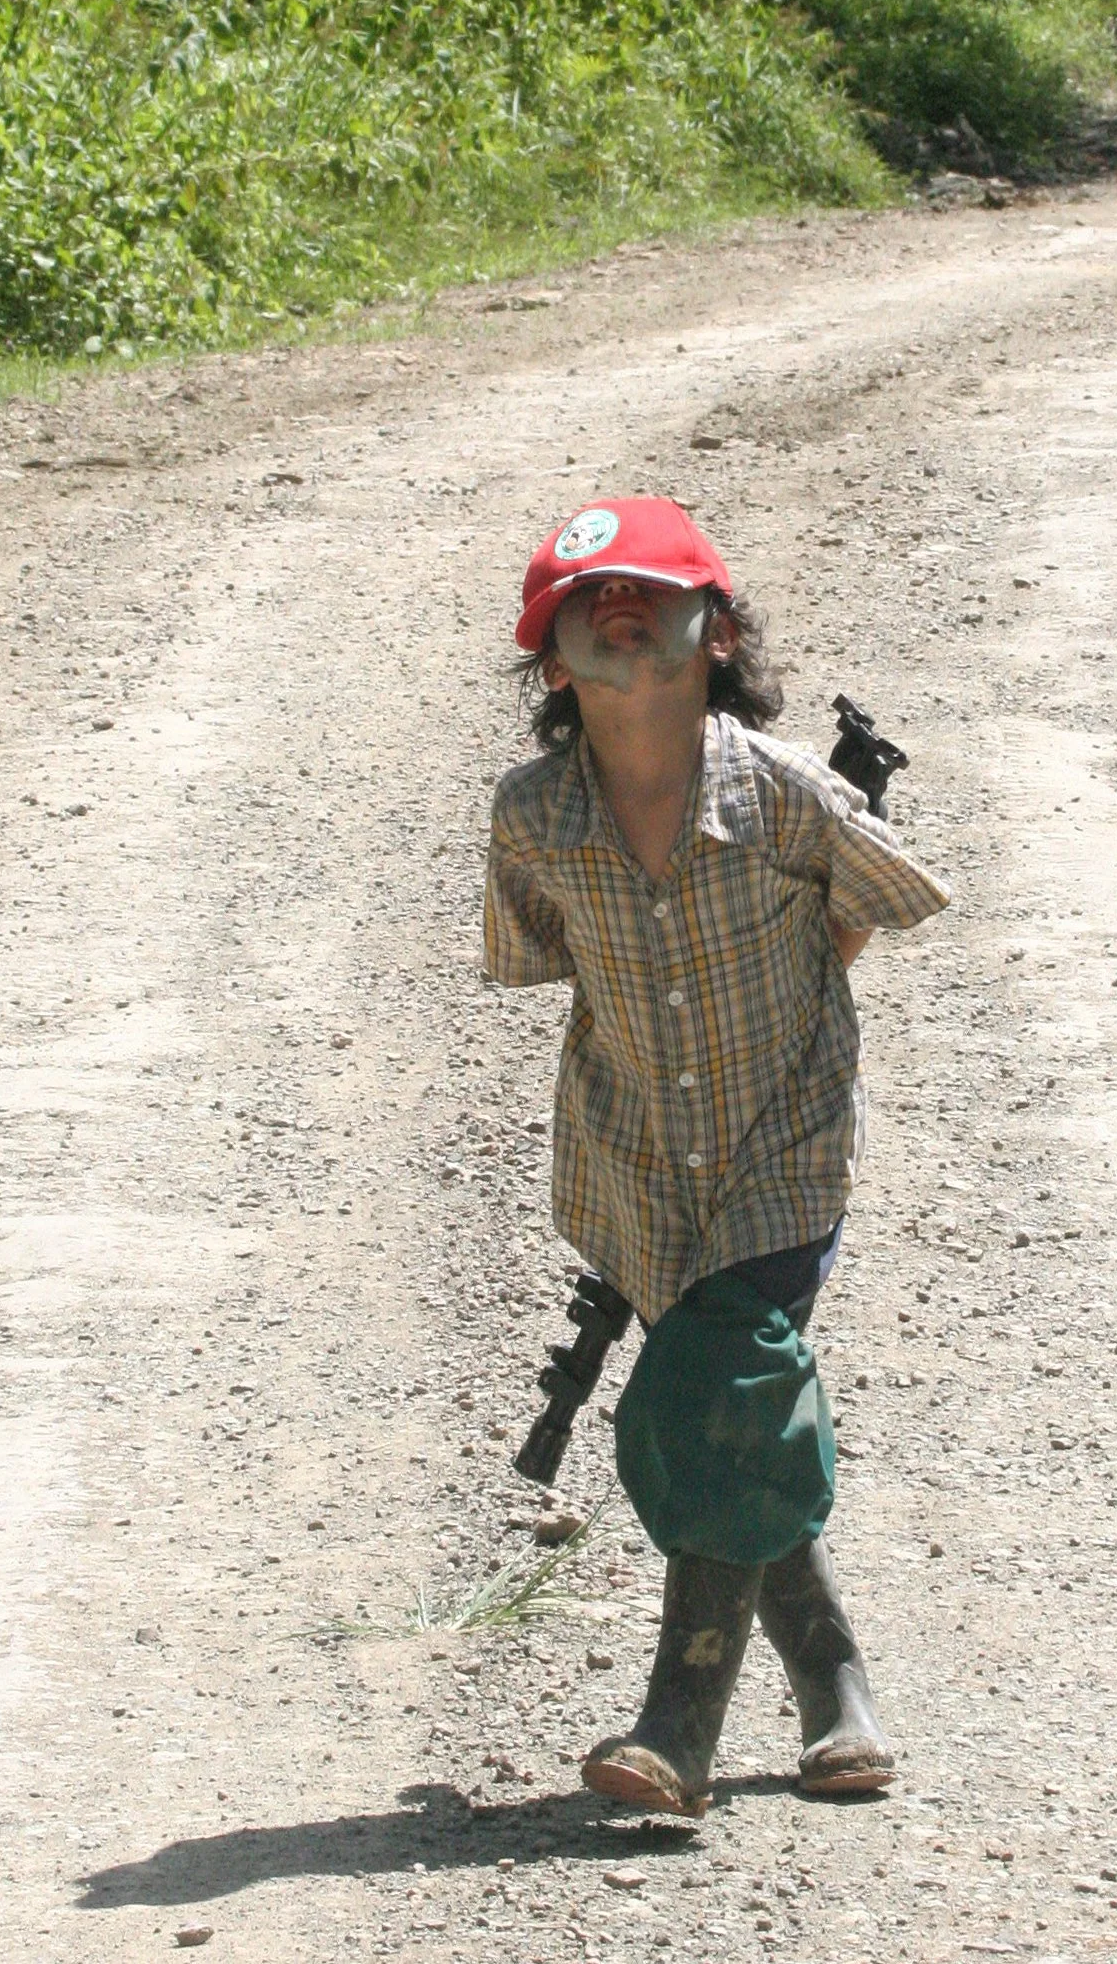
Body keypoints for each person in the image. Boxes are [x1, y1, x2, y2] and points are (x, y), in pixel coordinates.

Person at [483, 494, 949, 1819]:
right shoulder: (532, 817)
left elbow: (878, 902)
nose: (619, 614)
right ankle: (838, 1687)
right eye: (590, 606)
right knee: (731, 1416)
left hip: (781, 1157)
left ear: (715, 631)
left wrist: (797, 1014)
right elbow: (541, 959)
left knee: (718, 1393)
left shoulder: (791, 793)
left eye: (649, 597)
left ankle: (677, 1718)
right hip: (635, 1170)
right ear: (553, 657)